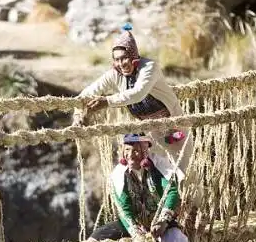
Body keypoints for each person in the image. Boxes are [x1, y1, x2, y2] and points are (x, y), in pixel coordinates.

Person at [73, 133, 201, 242]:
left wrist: (164, 220)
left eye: (137, 151)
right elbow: (124, 208)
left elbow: (172, 193)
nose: (133, 155)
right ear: (123, 153)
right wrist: (135, 232)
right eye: (128, 151)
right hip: (133, 223)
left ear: (146, 151)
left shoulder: (160, 166)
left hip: (159, 218)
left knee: (175, 236)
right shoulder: (119, 176)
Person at [73, 24, 193, 172]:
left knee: (184, 174)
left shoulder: (149, 67)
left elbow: (138, 93)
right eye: (116, 59)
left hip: (175, 126)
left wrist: (107, 101)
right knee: (158, 174)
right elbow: (87, 93)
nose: (121, 63)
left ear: (134, 56)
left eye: (125, 58)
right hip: (151, 132)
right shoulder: (114, 74)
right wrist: (79, 114)